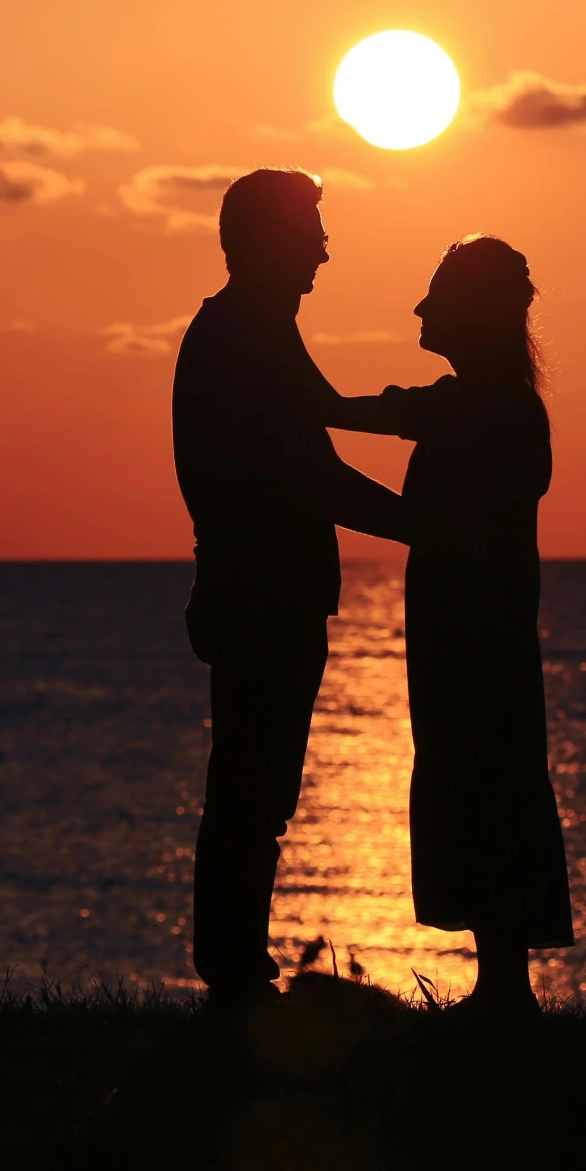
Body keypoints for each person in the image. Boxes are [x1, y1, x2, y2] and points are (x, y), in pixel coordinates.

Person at [172, 168, 411, 1006]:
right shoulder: (242, 334)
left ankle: (234, 968)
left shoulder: (258, 329)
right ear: (269, 240)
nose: (323, 250)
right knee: (250, 784)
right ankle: (233, 973)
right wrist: (431, 523)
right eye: (308, 231)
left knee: (254, 784)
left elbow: (325, 422)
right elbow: (315, 472)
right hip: (260, 589)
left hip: (264, 585)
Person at [326, 236, 572, 1017]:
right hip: (468, 628)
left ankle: (505, 987)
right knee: (481, 781)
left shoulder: (486, 405)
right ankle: (501, 980)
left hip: (476, 632)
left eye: (436, 296)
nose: (420, 309)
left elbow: (388, 413)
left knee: (483, 781)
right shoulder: (490, 403)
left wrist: (295, 405)